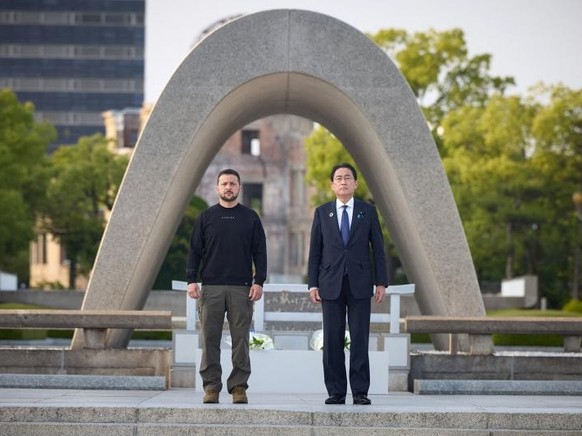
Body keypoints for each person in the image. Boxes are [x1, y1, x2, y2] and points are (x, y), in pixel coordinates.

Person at [307, 162, 388, 405]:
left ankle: (360, 391)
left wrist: (381, 282)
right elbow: (315, 252)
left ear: (356, 183)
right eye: (339, 178)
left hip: (361, 283)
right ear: (332, 185)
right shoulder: (322, 212)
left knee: (360, 338)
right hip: (330, 284)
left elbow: (378, 249)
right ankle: (336, 391)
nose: (343, 181)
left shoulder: (368, 211)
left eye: (348, 177)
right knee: (332, 340)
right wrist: (313, 284)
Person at [186, 168, 267, 404]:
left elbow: (260, 252)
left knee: (240, 339)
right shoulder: (205, 217)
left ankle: (239, 387)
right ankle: (211, 386)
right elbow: (194, 252)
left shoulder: (250, 217)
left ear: (239, 187)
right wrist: (192, 280)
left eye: (233, 183)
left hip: (241, 288)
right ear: (217, 188)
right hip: (210, 287)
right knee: (209, 338)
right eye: (224, 184)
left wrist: (259, 281)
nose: (229, 187)